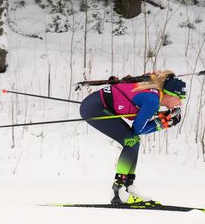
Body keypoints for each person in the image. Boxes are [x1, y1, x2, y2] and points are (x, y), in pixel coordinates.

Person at [79, 70, 186, 205]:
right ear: (170, 96)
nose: (180, 103)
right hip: (94, 108)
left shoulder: (155, 95)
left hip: (96, 103)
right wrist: (162, 124)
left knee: (134, 141)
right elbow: (137, 129)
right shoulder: (153, 101)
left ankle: (128, 187)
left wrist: (161, 121)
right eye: (179, 98)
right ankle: (118, 191)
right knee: (131, 140)